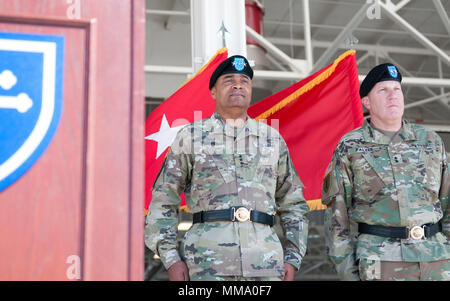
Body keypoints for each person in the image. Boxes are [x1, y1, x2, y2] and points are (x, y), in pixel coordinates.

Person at [145, 55, 310, 281]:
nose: (237, 85)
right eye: (229, 80)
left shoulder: (272, 139)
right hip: (206, 265)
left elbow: (293, 202)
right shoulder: (191, 137)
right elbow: (163, 199)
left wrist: (293, 257)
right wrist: (171, 259)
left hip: (266, 264)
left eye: (244, 81)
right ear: (213, 91)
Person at [322, 63, 450, 281]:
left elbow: (447, 203)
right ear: (367, 102)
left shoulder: (431, 141)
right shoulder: (351, 145)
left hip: (437, 261)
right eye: (383, 90)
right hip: (380, 262)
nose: (393, 96)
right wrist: (347, 273)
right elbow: (337, 218)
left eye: (397, 89)